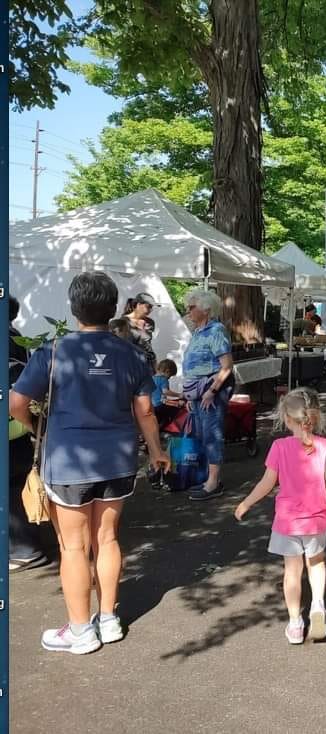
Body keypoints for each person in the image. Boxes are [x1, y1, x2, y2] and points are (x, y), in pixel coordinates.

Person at [10, 272, 170, 654]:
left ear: (73, 307)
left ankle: (81, 631)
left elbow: (16, 403)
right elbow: (146, 411)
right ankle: (109, 620)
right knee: (108, 539)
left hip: (68, 461)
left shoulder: (52, 351)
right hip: (119, 459)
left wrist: (36, 427)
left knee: (73, 548)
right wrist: (157, 451)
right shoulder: (132, 354)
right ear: (114, 308)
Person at [234, 388, 326, 644]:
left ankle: (295, 623)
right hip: (317, 519)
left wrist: (246, 503)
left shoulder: (279, 447)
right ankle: (318, 605)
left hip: (288, 522)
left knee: (292, 571)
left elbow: (267, 483)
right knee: (316, 563)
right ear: (315, 416)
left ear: (287, 419)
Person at [8, 296, 50, 572]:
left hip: (11, 423)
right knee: (17, 483)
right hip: (19, 425)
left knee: (12, 487)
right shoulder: (18, 338)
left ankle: (24, 549)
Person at [182, 288, 235, 501]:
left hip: (211, 390)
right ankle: (208, 479)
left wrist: (212, 391)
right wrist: (190, 395)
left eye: (191, 307)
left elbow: (227, 365)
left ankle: (213, 483)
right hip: (198, 391)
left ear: (206, 309)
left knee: (212, 435)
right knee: (203, 435)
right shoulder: (198, 331)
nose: (188, 311)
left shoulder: (216, 330)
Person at [122, 292, 157, 368]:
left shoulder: (150, 322)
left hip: (148, 363)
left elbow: (148, 344)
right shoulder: (123, 321)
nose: (150, 310)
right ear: (138, 304)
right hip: (130, 363)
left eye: (151, 307)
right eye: (148, 306)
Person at [151, 358, 183, 426]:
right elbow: (166, 392)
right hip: (161, 405)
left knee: (158, 420)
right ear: (167, 371)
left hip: (152, 406)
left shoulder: (152, 378)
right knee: (177, 408)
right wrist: (179, 395)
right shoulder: (163, 379)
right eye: (170, 376)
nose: (169, 378)